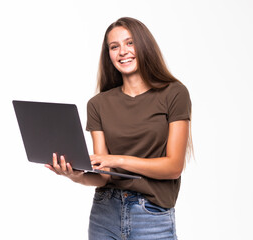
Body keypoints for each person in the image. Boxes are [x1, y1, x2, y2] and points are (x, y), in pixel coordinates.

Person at [45, 17, 192, 240]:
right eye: (114, 47)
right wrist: (74, 175)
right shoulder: (98, 104)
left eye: (129, 43)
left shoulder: (174, 93)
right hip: (105, 214)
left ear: (144, 45)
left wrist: (117, 160)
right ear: (109, 55)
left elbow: (174, 167)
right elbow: (103, 176)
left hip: (151, 216)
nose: (122, 51)